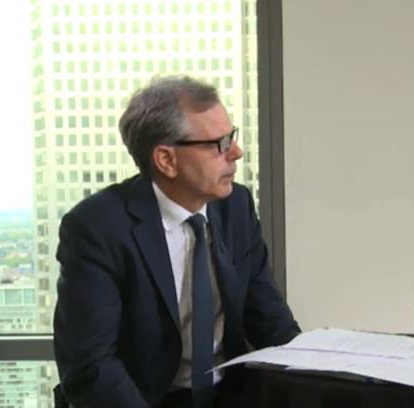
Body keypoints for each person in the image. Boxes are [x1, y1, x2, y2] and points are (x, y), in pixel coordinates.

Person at [53, 75, 301, 407]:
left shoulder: (236, 206)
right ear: (167, 160)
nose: (236, 153)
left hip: (230, 395)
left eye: (232, 137)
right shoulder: (97, 228)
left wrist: (320, 376)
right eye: (220, 144)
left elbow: (270, 321)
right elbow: (92, 367)